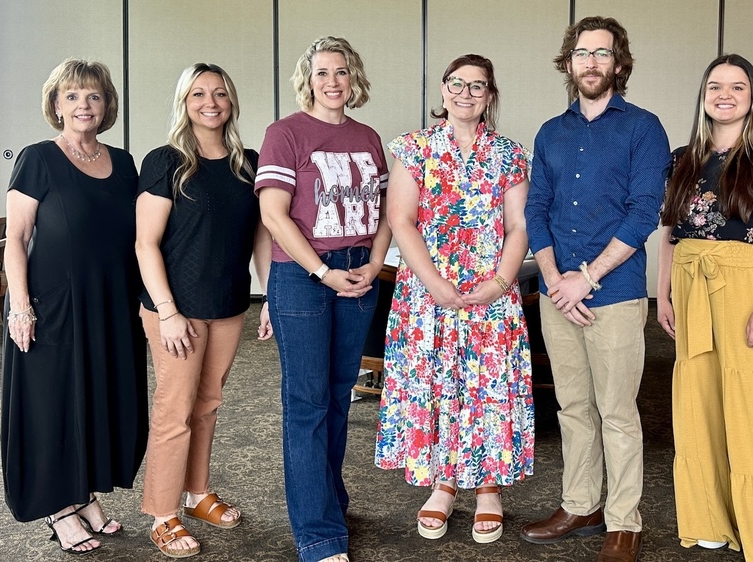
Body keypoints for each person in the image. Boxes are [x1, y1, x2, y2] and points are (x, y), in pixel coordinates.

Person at [521, 16, 670, 562]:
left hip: (615, 290)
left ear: (619, 64)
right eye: (581, 53)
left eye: (602, 54)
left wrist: (588, 276)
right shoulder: (550, 132)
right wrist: (557, 278)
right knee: (572, 407)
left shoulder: (644, 128)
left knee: (616, 410)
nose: (591, 63)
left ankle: (623, 519)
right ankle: (580, 503)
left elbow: (642, 213)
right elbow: (537, 209)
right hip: (560, 293)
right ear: (568, 63)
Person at [656, 54, 753, 562]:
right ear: (703, 94)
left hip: (747, 285)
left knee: (752, 405)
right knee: (698, 400)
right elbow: (669, 233)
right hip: (689, 281)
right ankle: (708, 516)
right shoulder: (681, 157)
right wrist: (665, 292)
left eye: (737, 87)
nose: (725, 94)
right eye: (715, 86)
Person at [374, 54, 534, 545]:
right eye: (457, 84)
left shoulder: (510, 154)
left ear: (490, 95)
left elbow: (519, 226)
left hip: (491, 291)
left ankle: (489, 488)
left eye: (477, 86)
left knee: (488, 388)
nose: (465, 93)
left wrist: (501, 283)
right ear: (442, 90)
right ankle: (442, 484)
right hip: (427, 294)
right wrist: (436, 285)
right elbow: (401, 220)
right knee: (436, 383)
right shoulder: (414, 147)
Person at [0, 58, 147, 554]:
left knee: (97, 397)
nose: (84, 105)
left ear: (106, 106)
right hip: (54, 304)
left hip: (111, 302)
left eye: (94, 96)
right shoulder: (37, 158)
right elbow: (16, 238)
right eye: (72, 96)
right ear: (56, 104)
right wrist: (19, 306)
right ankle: (59, 507)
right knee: (53, 404)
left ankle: (84, 495)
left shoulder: (125, 163)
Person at [256, 36, 389, 562]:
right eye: (322, 73)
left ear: (354, 78)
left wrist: (375, 266)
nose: (333, 82)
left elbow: (381, 213)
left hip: (358, 274)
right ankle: (318, 534)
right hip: (303, 277)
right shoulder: (285, 133)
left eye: (342, 72)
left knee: (338, 398)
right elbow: (273, 214)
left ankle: (328, 500)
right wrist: (322, 272)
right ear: (307, 80)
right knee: (307, 405)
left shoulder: (368, 136)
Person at [135, 63, 273, 559]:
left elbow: (261, 235)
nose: (209, 102)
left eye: (218, 93)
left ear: (231, 100)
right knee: (174, 409)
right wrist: (168, 311)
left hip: (228, 304)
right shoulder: (165, 161)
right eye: (198, 94)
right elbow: (145, 243)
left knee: (208, 404)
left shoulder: (247, 162)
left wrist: (270, 296)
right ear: (184, 101)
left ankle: (195, 495)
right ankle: (162, 513)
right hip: (176, 308)